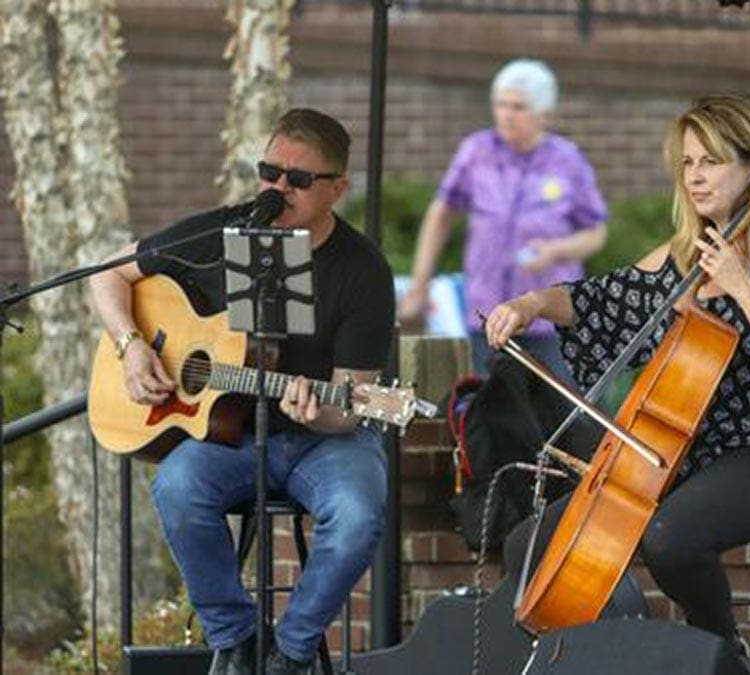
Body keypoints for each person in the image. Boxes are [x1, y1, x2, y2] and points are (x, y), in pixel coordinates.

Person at [485, 95, 750, 671]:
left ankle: (724, 657)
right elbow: (591, 300)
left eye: (712, 162)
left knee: (671, 536)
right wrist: (530, 304)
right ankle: (621, 657)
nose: (695, 176)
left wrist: (744, 286)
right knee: (533, 544)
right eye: (688, 163)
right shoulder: (681, 259)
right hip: (690, 451)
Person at [89, 108, 395, 675]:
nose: (279, 189)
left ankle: (292, 652)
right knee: (178, 488)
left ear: (338, 189)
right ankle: (236, 639)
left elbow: (352, 405)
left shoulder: (363, 271)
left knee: (356, 513)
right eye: (269, 172)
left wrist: (322, 410)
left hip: (323, 442)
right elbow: (107, 274)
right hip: (228, 433)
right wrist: (133, 344)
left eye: (298, 180)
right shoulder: (221, 233)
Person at [398, 58, 608, 380]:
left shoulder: (568, 160)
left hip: (548, 320)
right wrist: (420, 285)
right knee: (489, 411)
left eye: (518, 107)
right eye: (500, 104)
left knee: (553, 414)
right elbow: (441, 214)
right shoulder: (476, 151)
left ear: (543, 114)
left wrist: (556, 250)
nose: (506, 114)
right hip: (487, 311)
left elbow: (595, 232)